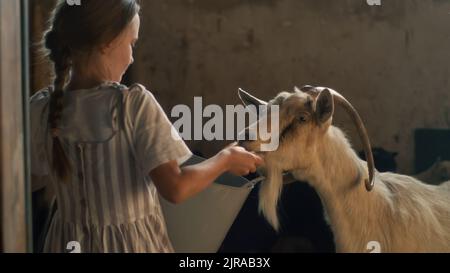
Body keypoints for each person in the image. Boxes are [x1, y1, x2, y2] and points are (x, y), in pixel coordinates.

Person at [30, 0, 262, 253]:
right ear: (108, 41)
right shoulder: (131, 104)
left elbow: (29, 181)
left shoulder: (42, 107)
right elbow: (176, 187)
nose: (131, 58)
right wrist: (226, 159)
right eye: (131, 44)